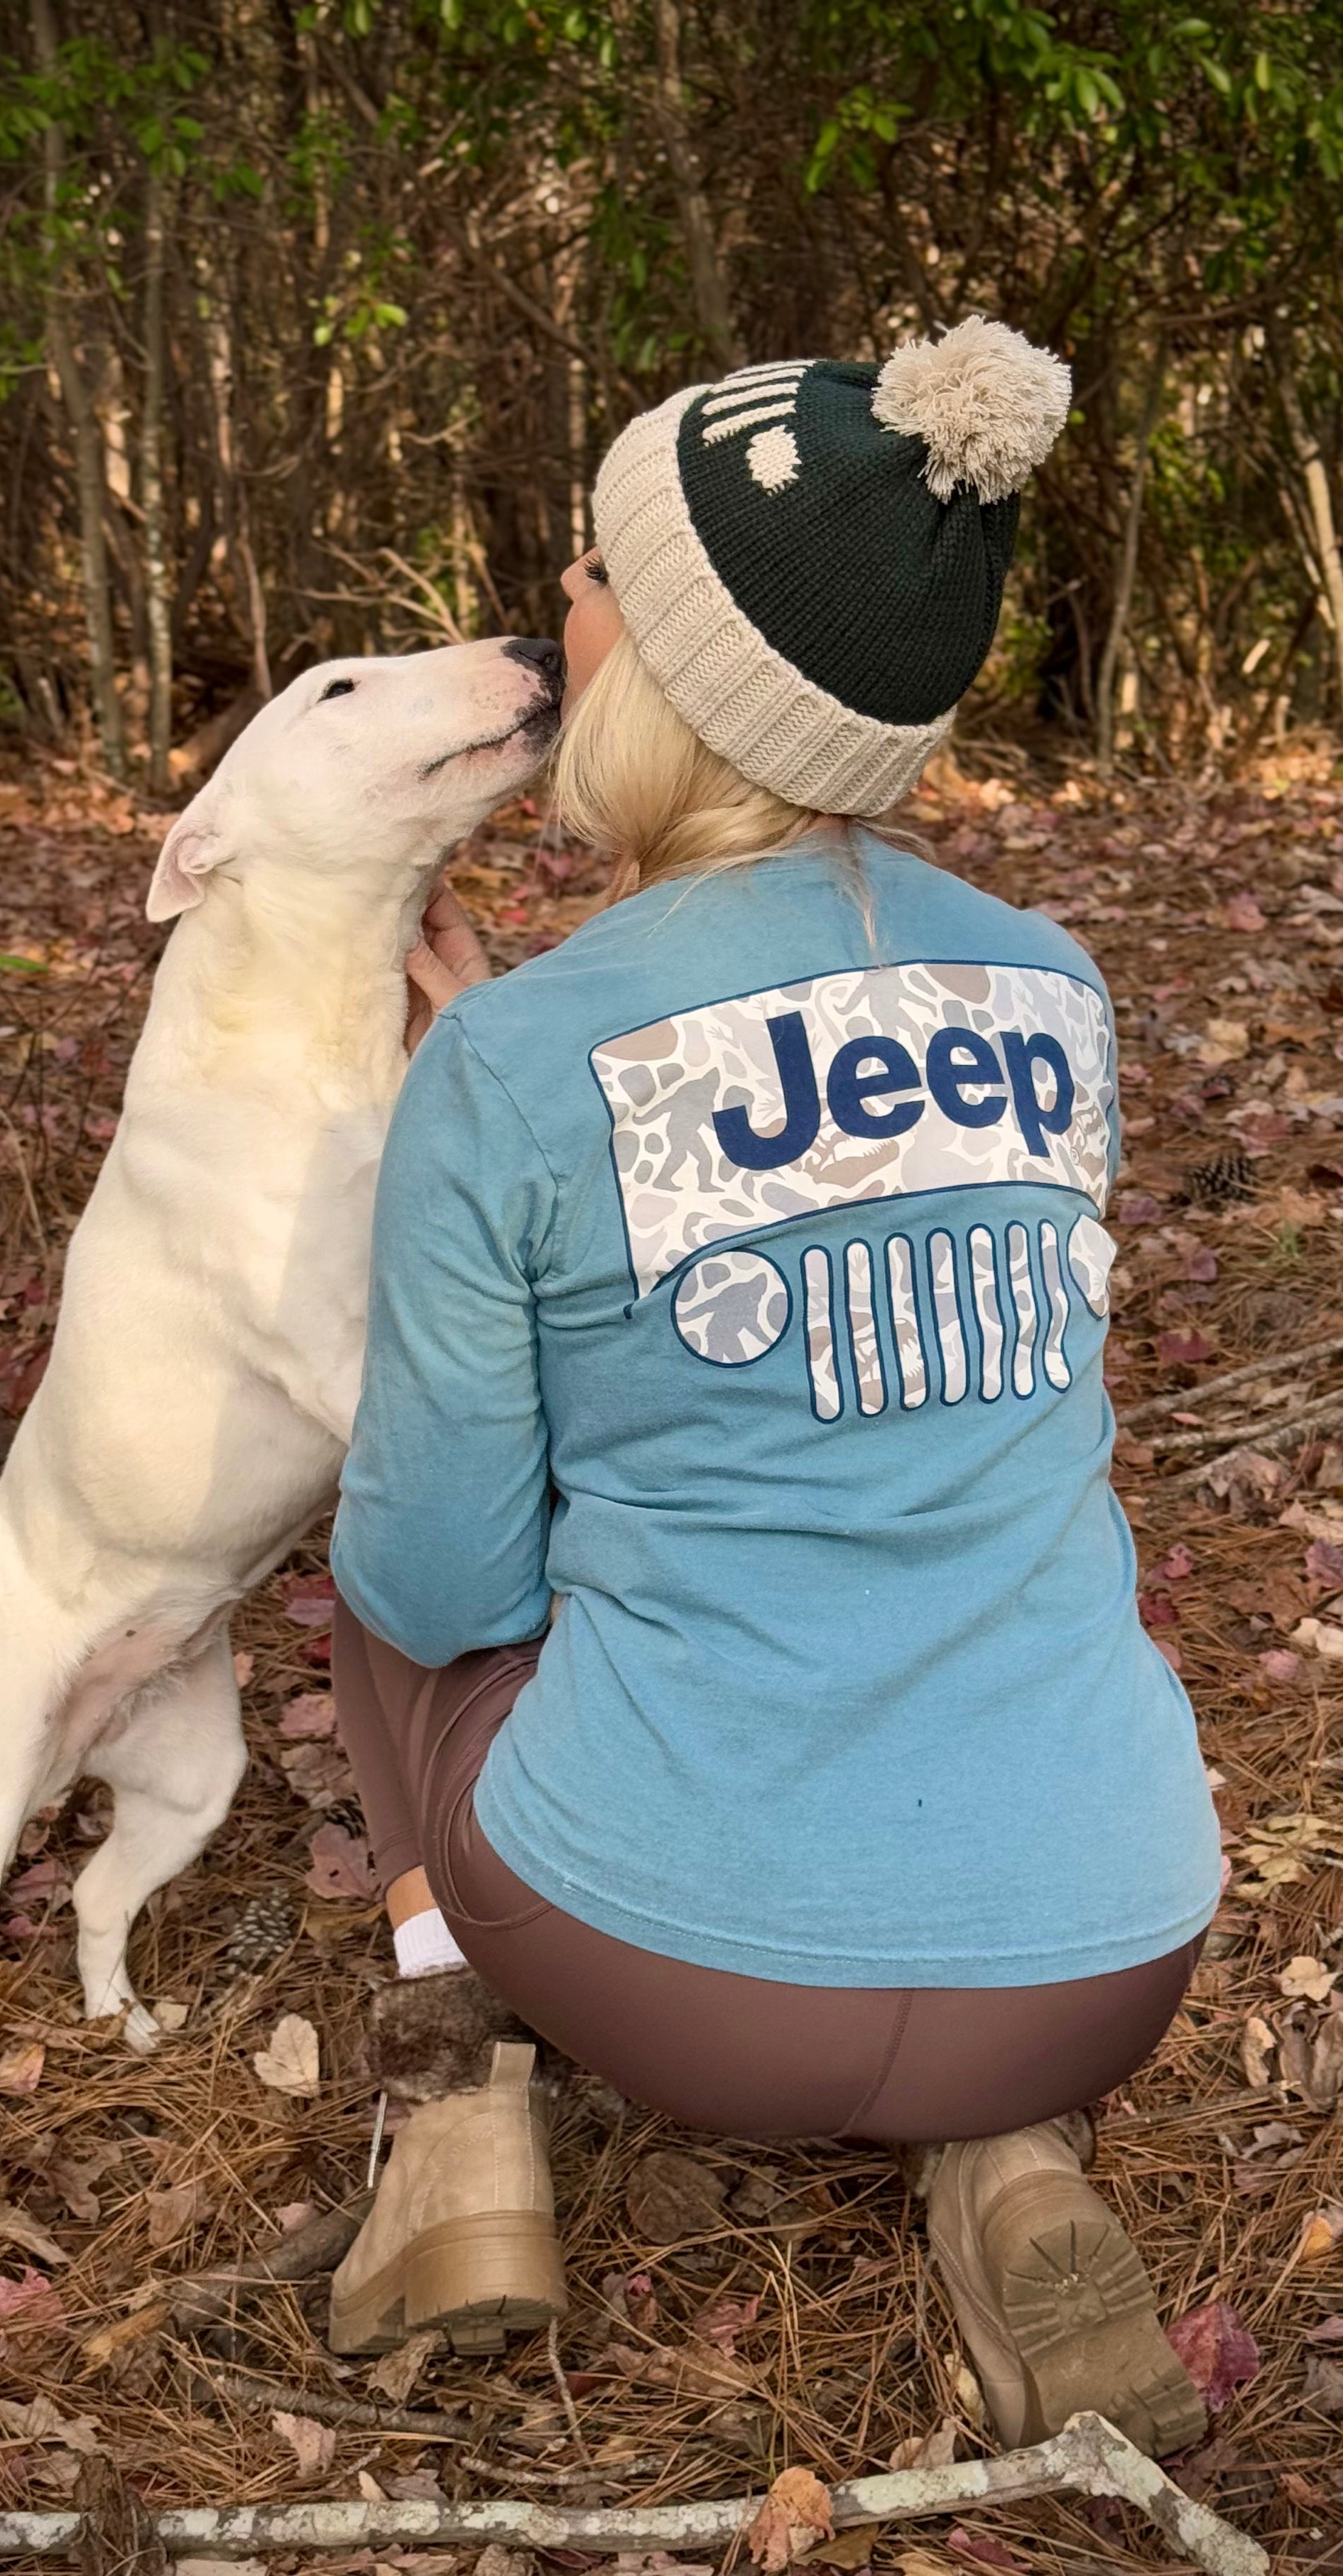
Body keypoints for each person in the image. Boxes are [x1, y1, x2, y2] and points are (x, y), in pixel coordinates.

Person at [325, 319, 1222, 2455]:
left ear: (671, 667)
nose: (561, 607)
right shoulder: (1057, 986)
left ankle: (458, 2113)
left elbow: (446, 1575)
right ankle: (1011, 2156)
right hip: (1109, 1952)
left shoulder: (523, 1057)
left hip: (691, 1981)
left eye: (593, 577)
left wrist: (474, 1093)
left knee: (386, 1580)